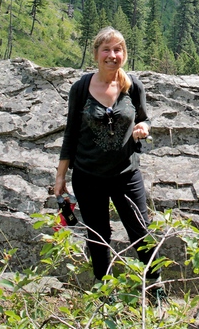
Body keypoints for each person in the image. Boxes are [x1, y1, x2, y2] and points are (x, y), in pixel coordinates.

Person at [54, 26, 159, 286]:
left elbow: (144, 119)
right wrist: (60, 177)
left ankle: (155, 288)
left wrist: (144, 128)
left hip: (126, 174)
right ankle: (104, 293)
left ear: (124, 54)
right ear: (96, 54)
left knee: (141, 232)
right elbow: (71, 133)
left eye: (118, 49)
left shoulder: (133, 86)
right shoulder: (81, 88)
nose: (112, 55)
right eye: (106, 50)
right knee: (98, 237)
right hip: (88, 176)